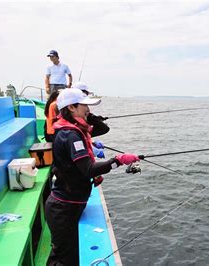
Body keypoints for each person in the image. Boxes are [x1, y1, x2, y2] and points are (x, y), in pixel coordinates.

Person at [45, 88, 140, 266]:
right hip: (63, 208)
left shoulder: (73, 130)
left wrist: (88, 117)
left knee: (64, 255)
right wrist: (118, 160)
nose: (88, 109)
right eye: (85, 106)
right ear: (72, 107)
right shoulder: (71, 135)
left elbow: (100, 129)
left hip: (67, 204)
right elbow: (89, 169)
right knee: (65, 260)